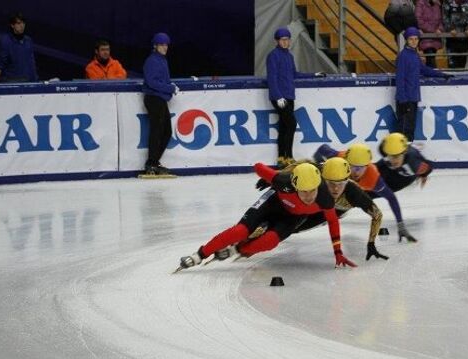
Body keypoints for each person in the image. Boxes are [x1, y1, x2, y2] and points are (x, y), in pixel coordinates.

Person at [176, 162, 356, 271]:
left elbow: (333, 222)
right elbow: (258, 167)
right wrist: (270, 176)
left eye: (313, 191)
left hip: (291, 218)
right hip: (272, 204)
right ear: (294, 186)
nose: (309, 196)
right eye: (304, 191)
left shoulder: (325, 198)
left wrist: (338, 253)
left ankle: (238, 250)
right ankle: (200, 254)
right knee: (239, 231)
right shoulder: (283, 181)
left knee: (269, 242)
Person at [253, 157, 388, 261]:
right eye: (330, 183)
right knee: (287, 213)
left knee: (295, 228)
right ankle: (255, 229)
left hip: (333, 210)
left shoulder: (355, 194)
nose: (335, 189)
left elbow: (377, 215)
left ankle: (254, 244)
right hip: (316, 199)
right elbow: (302, 165)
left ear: (347, 180)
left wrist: (371, 243)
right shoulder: (318, 171)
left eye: (340, 184)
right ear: (323, 178)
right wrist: (276, 176)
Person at [313, 143, 418, 243]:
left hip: (348, 197)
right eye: (352, 166)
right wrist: (322, 165)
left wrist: (401, 225)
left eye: (360, 167)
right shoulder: (339, 158)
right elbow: (321, 149)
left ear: (367, 166)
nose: (356, 172)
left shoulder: (373, 177)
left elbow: (391, 198)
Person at [266, 27, 325, 168]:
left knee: (284, 126)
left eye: (287, 39)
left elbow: (295, 74)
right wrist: (278, 96)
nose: (286, 42)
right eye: (283, 40)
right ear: (277, 41)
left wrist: (314, 75)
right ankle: (289, 156)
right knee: (291, 124)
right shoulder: (273, 56)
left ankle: (281, 157)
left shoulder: (289, 56)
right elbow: (272, 78)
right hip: (279, 97)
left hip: (289, 96)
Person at [395, 26, 451, 142]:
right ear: (406, 40)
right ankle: (402, 155)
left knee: (410, 129)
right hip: (405, 100)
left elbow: (424, 70)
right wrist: (403, 99)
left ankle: (407, 155)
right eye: (411, 39)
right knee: (404, 131)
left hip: (413, 98)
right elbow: (400, 79)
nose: (414, 41)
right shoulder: (403, 56)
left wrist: (442, 74)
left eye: (416, 39)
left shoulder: (415, 55)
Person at [142, 32, 178, 176]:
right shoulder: (152, 61)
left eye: (166, 45)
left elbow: (162, 80)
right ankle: (151, 163)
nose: (165, 47)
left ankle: (154, 162)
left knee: (166, 132)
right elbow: (152, 82)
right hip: (153, 99)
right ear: (155, 46)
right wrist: (170, 88)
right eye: (162, 45)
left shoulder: (162, 60)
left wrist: (170, 87)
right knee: (157, 131)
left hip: (160, 99)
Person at [0, 12, 38, 83]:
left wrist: (36, 81)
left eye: (23, 23)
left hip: (29, 83)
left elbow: (31, 63)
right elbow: (0, 63)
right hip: (13, 83)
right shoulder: (6, 41)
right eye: (19, 23)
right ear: (12, 25)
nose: (22, 26)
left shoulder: (28, 40)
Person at [441, 0, 468, 69]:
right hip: (451, 39)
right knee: (452, 66)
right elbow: (445, 17)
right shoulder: (447, 2)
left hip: (464, 39)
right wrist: (450, 29)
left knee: (462, 66)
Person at [416, 0, 444, 67]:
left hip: (435, 37)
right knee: (430, 58)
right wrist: (433, 30)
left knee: (431, 58)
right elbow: (419, 20)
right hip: (425, 37)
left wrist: (440, 29)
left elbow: (441, 20)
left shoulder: (437, 5)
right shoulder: (420, 3)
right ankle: (433, 75)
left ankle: (429, 74)